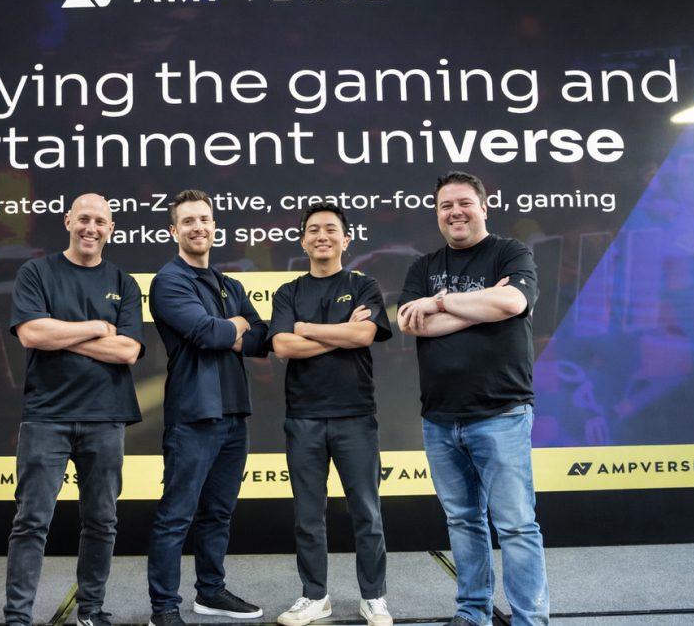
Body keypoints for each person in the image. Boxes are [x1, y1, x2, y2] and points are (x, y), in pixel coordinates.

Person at [397, 172, 549, 626]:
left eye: (464, 202)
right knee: (463, 521)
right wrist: (484, 304)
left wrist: (441, 303)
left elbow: (513, 304)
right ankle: (473, 612)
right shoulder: (423, 266)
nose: (455, 212)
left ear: (483, 207)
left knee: (516, 525)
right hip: (440, 417)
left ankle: (529, 620)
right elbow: (410, 322)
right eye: (446, 205)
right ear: (437, 213)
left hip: (501, 412)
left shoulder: (511, 252)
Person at [4, 193, 144, 626]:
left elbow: (128, 351)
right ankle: (18, 617)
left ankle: (91, 611)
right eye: (83, 219)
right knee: (31, 521)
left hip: (106, 417)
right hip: (46, 417)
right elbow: (31, 334)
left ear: (111, 229)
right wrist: (97, 327)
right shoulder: (36, 272)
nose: (91, 228)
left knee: (102, 521)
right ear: (68, 221)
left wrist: (61, 334)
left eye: (100, 221)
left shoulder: (124, 283)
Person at [146, 189, 269, 626]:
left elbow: (261, 338)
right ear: (173, 230)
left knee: (219, 511)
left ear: (214, 226)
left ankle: (211, 591)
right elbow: (207, 334)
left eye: (204, 219)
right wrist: (236, 325)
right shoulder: (169, 281)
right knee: (177, 515)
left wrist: (233, 329)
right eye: (189, 221)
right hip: (193, 414)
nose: (198, 227)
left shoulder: (229, 284)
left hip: (234, 414)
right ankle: (163, 608)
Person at [268, 203, 394, 626]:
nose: (322, 236)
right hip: (303, 416)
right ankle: (314, 596)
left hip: (355, 415)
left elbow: (365, 334)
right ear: (303, 241)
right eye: (314, 230)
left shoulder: (364, 285)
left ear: (346, 239)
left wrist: (306, 329)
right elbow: (283, 346)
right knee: (308, 515)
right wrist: (342, 332)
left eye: (331, 229)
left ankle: (373, 597)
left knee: (366, 512)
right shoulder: (289, 292)